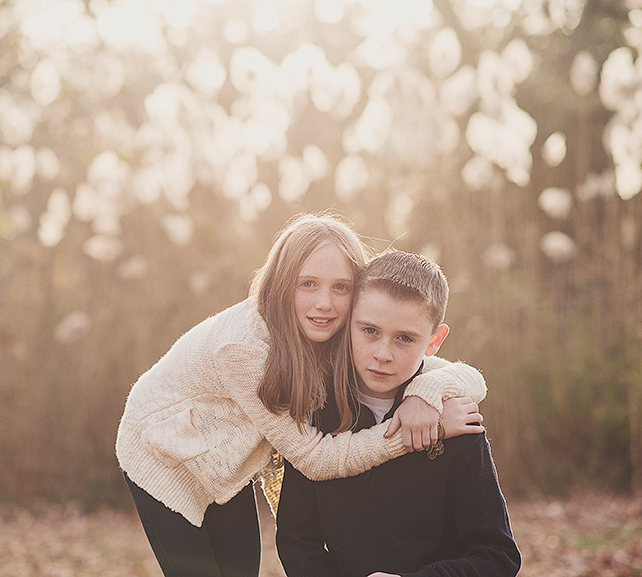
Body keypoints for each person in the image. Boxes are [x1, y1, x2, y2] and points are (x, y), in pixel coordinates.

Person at [115, 213, 487, 577]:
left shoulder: (345, 328)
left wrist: (424, 395)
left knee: (240, 570)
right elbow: (315, 459)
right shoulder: (243, 348)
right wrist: (415, 433)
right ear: (281, 283)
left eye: (340, 287)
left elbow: (465, 375)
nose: (324, 302)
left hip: (224, 461)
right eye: (307, 283)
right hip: (162, 447)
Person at [275, 250, 521, 577]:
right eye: (369, 331)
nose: (382, 354)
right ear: (349, 323)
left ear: (434, 341)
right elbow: (297, 543)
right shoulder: (317, 411)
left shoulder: (454, 419)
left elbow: (497, 554)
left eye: (404, 338)